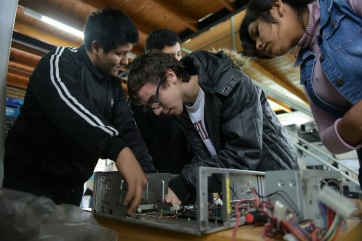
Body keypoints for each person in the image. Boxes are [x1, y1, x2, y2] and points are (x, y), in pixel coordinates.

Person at [3, 8, 156, 216]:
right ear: (96, 47)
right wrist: (117, 148)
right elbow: (71, 108)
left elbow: (128, 128)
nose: (125, 61)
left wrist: (150, 175)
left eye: (127, 53)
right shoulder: (59, 62)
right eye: (120, 53)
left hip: (72, 187)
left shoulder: (113, 86)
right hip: (30, 182)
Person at [127, 49, 298, 206]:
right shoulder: (184, 110)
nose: (156, 111)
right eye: (150, 107)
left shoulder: (231, 84)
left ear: (170, 76)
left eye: (154, 100)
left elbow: (244, 153)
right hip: (245, 198)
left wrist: (188, 180)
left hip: (279, 188)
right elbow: (208, 154)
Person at [238, 0, 362, 189]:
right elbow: (327, 137)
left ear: (277, 6)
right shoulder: (307, 74)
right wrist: (350, 125)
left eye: (256, 31)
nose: (259, 44)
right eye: (256, 46)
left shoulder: (344, 5)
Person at [130, 29, 194, 173]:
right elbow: (139, 150)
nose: (178, 61)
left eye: (179, 54)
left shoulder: (190, 94)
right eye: (170, 56)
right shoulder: (140, 106)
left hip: (196, 181)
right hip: (163, 186)